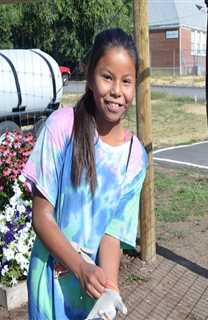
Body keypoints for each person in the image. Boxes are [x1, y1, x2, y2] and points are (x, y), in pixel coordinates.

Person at [22, 28, 147, 319]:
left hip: (92, 293)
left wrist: (110, 289)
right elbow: (41, 216)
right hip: (49, 288)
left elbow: (113, 231)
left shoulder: (135, 157)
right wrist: (80, 268)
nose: (117, 90)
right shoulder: (61, 127)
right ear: (90, 77)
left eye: (126, 81)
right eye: (107, 77)